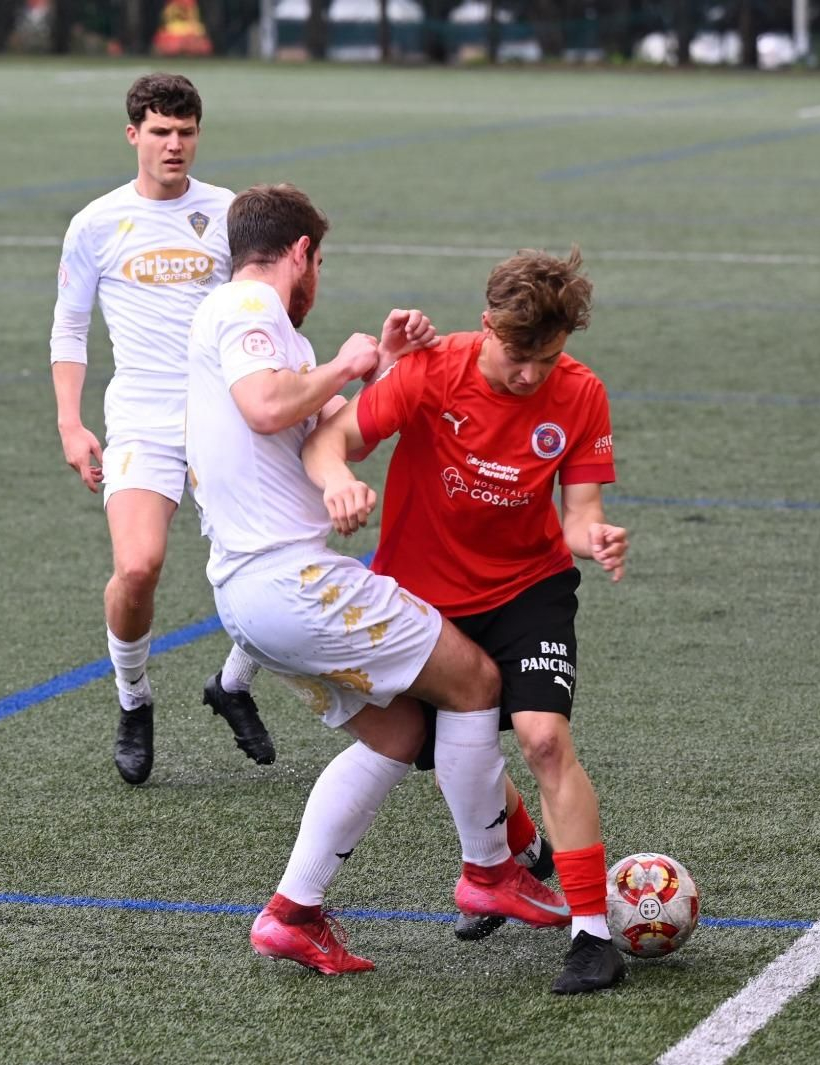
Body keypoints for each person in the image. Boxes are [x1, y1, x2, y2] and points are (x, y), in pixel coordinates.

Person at [183, 183, 571, 978]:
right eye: (319, 262)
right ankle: (490, 867)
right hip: (290, 579)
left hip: (251, 600)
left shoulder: (252, 329)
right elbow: (265, 408)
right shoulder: (248, 311)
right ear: (300, 255)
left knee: (399, 735)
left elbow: (312, 440)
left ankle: (293, 909)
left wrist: (383, 371)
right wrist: (348, 360)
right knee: (475, 679)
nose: (317, 278)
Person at [303, 248, 629, 994]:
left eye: (546, 358)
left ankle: (591, 932)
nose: (530, 375)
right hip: (422, 601)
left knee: (545, 739)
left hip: (528, 587)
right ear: (486, 326)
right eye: (518, 356)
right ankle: (509, 857)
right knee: (441, 745)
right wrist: (341, 479)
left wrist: (596, 536)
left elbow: (579, 516)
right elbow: (332, 438)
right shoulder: (429, 370)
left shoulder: (580, 394)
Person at [50, 73, 276, 786]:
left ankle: (233, 682)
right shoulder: (95, 223)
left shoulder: (230, 213)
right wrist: (70, 421)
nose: (174, 143)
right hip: (142, 416)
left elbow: (262, 306)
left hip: (225, 411)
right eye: (159, 131)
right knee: (139, 566)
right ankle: (133, 699)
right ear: (133, 136)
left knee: (276, 565)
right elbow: (70, 326)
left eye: (185, 131)